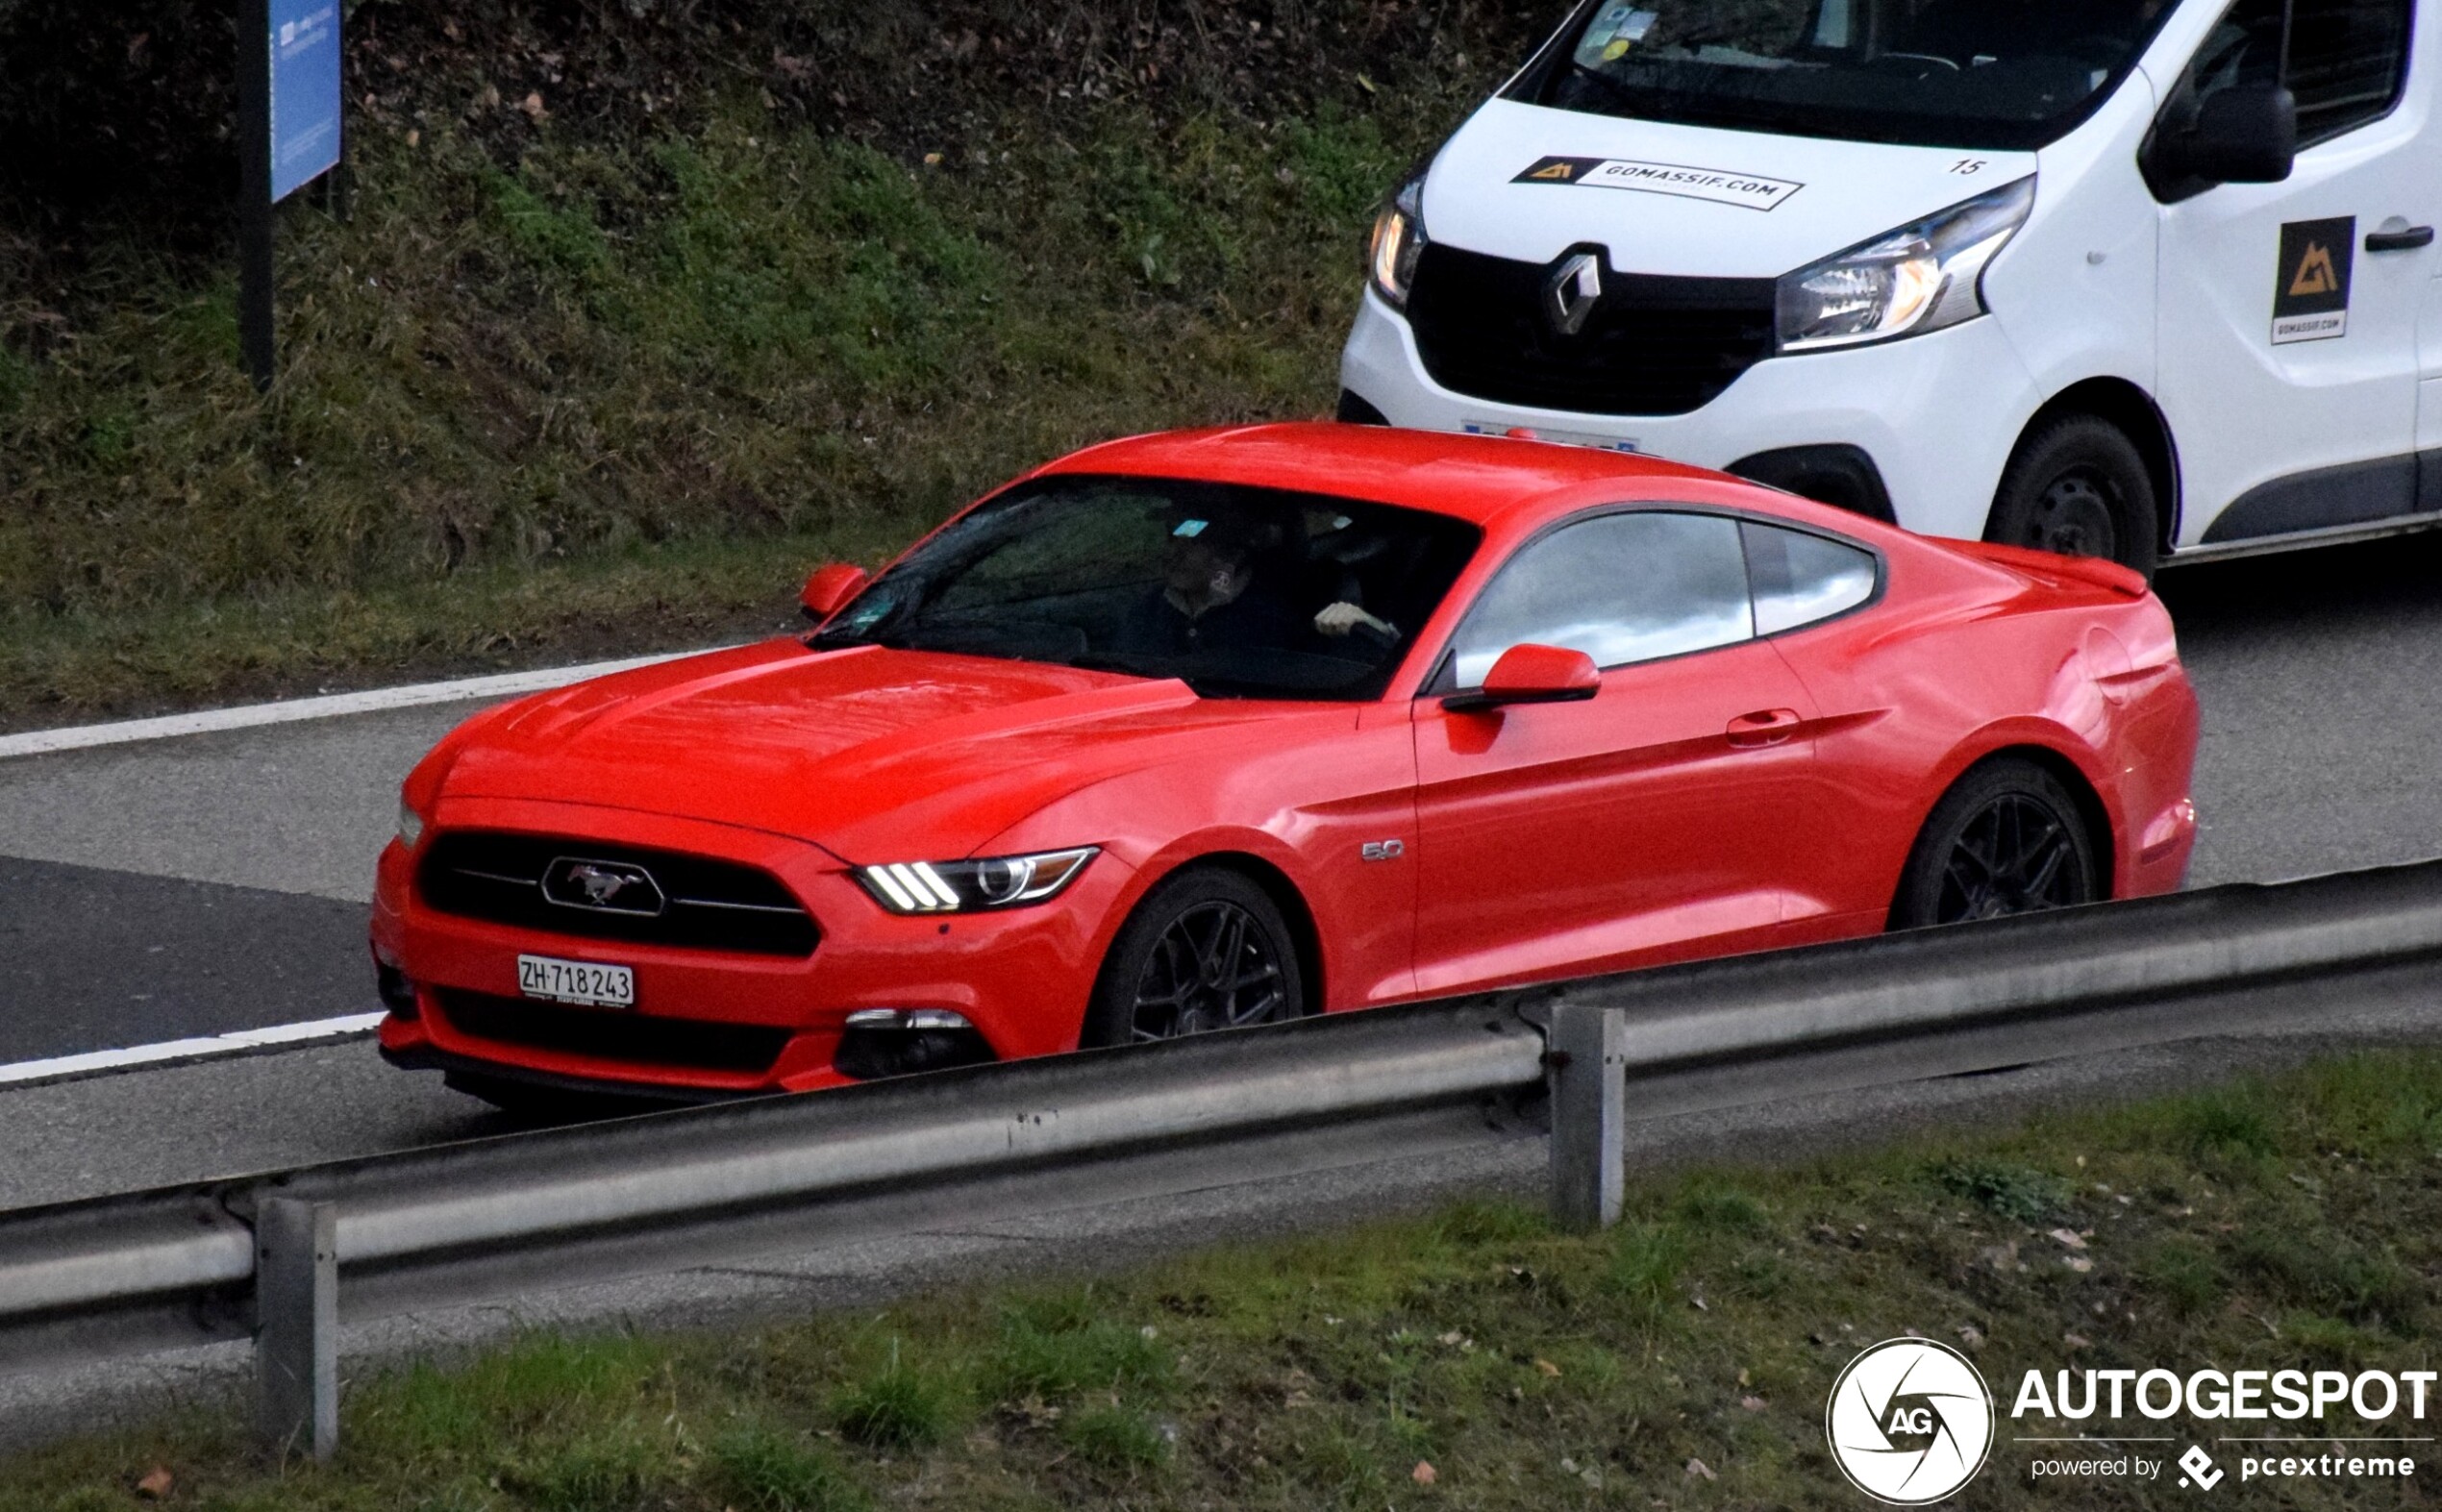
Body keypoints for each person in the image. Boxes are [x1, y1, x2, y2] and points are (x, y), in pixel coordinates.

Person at [1119, 517, 1399, 657]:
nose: (1174, 553)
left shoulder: (1278, 617)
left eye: (1193, 545)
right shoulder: (1146, 610)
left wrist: (1370, 626)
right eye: (1172, 540)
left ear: (1230, 556)